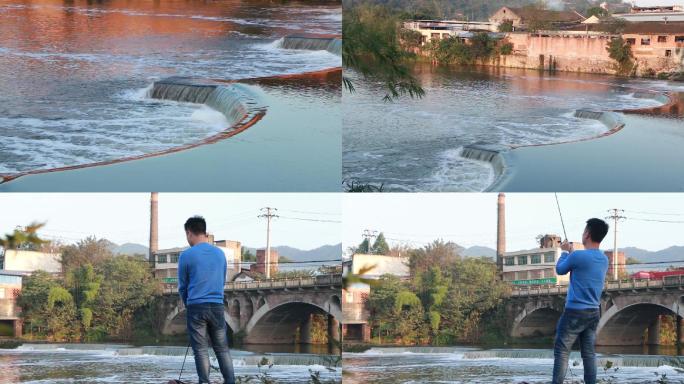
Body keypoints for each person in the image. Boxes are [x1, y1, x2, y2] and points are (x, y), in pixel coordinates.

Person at [178, 216, 235, 384]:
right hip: (217, 306)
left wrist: (188, 303)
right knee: (222, 349)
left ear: (189, 232)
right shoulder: (220, 254)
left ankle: (204, 382)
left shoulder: (186, 255)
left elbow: (182, 286)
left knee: (201, 351)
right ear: (204, 231)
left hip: (196, 306)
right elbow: (222, 280)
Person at [552, 218, 609, 384]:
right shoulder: (604, 259)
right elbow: (583, 266)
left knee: (562, 352)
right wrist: (572, 254)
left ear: (588, 234)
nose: (583, 233)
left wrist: (564, 252)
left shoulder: (577, 256)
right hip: (593, 312)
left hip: (574, 312)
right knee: (589, 354)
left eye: (584, 231)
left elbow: (560, 269)